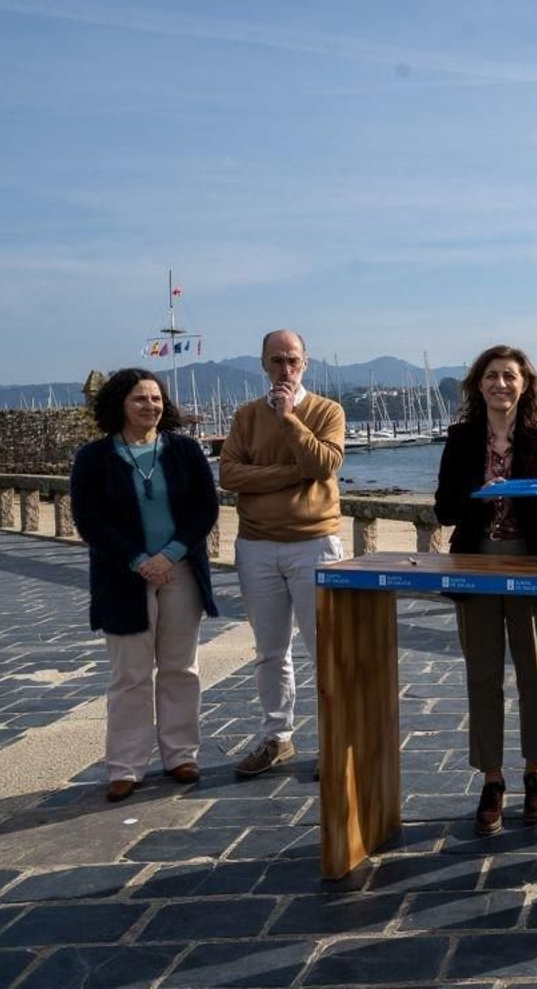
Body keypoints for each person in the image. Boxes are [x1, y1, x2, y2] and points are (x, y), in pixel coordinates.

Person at [434, 345, 537, 835]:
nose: (501, 384)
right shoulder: (460, 437)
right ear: (478, 384)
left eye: (509, 376)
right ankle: (492, 777)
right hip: (476, 559)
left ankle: (535, 772)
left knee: (535, 672)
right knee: (483, 675)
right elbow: (444, 508)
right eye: (491, 375)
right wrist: (484, 495)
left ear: (524, 384)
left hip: (531, 560)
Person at [70, 368, 219, 802]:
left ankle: (180, 754)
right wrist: (139, 560)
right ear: (119, 403)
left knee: (180, 668)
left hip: (180, 571)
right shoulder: (94, 458)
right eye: (140, 399)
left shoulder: (185, 451)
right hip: (123, 577)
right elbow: (89, 520)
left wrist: (170, 554)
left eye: (156, 398)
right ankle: (125, 765)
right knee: (130, 675)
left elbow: (204, 508)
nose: (150, 406)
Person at [220, 330, 346, 777]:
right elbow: (230, 474)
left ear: (306, 363)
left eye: (292, 360)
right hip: (256, 546)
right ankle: (277, 736)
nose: (285, 369)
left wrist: (290, 418)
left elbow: (324, 465)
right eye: (276, 361)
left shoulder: (327, 411)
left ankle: (336, 739)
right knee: (270, 651)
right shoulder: (246, 416)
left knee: (325, 649)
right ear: (263, 364)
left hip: (315, 544)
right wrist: (292, 474)